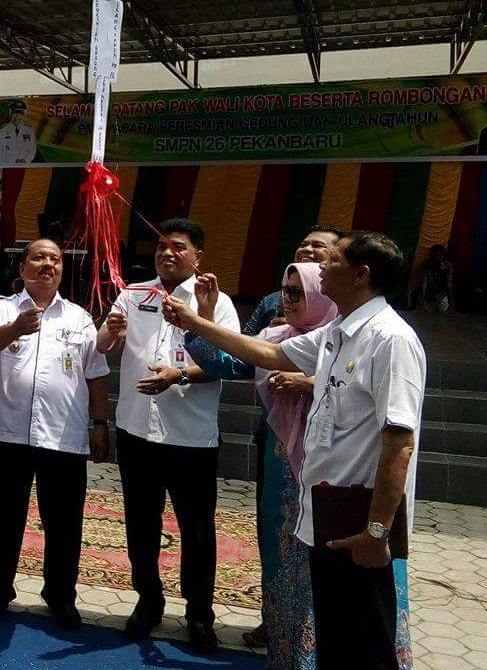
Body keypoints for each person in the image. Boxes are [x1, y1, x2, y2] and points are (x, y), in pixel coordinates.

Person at [163, 231, 425, 670]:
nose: (321, 267)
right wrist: (195, 322)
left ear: (361, 274)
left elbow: (399, 442)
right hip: (321, 508)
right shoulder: (336, 334)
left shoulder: (390, 339)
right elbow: (267, 351)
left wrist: (377, 531)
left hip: (357, 514)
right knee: (337, 639)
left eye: (334, 259)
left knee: (366, 645)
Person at [94, 217, 239, 654]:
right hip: (137, 429)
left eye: (178, 246)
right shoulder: (133, 294)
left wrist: (180, 374)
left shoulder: (216, 301)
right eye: (160, 246)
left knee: (197, 530)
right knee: (140, 524)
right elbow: (102, 346)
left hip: (190, 437)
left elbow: (226, 363)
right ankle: (148, 602)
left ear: (198, 256)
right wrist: (109, 334)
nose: (167, 253)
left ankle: (199, 615)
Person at [183, 263, 336, 669]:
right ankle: (283, 639)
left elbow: (365, 397)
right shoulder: (275, 336)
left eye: (297, 292)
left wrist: (310, 384)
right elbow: (226, 361)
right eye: (283, 292)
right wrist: (202, 318)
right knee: (279, 547)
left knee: (325, 561)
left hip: (334, 465)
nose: (286, 301)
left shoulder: (346, 338)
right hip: (283, 457)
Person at [0, 239, 110, 630]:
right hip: (8, 434)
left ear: (61, 269)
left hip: (63, 438)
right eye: (39, 258)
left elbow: (96, 374)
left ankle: (60, 596)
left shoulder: (80, 318)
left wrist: (101, 425)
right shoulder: (2, 307)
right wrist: (15, 327)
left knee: (65, 523)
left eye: (55, 259)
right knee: (2, 520)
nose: (47, 264)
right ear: (23, 269)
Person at [238, 223, 343, 649]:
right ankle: (276, 619)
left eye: (319, 248)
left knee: (327, 538)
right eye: (302, 245)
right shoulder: (271, 303)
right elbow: (245, 350)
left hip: (334, 446)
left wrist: (310, 381)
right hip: (279, 436)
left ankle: (321, 629)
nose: (291, 298)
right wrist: (200, 328)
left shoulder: (351, 314)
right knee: (276, 530)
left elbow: (358, 382)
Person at [242, 226, 344, 337]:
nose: (306, 249)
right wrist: (276, 334)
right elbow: (243, 341)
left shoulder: (345, 304)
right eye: (303, 245)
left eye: (318, 245)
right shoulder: (272, 301)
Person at [410, 244, 453, 313]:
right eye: (435, 256)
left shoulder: (448, 266)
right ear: (431, 256)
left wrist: (451, 305)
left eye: (439, 256)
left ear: (443, 256)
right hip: (428, 298)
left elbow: (448, 285)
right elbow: (423, 284)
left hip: (441, 297)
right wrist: (421, 302)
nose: (437, 259)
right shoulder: (425, 265)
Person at [0, 100, 36, 166]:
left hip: (25, 166)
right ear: (10, 113)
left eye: (20, 112)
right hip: (8, 166)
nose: (17, 115)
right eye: (14, 112)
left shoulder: (29, 131)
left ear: (24, 114)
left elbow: (32, 150)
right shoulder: (2, 131)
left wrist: (25, 160)